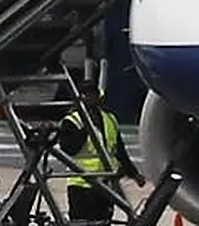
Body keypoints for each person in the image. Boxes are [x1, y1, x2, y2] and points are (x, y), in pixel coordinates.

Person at [59, 81, 144, 224]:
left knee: (103, 221)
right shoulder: (72, 121)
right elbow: (69, 149)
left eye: (94, 94)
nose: (91, 98)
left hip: (105, 183)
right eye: (87, 95)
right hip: (82, 183)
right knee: (81, 221)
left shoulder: (110, 119)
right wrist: (86, 129)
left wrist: (134, 174)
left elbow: (119, 151)